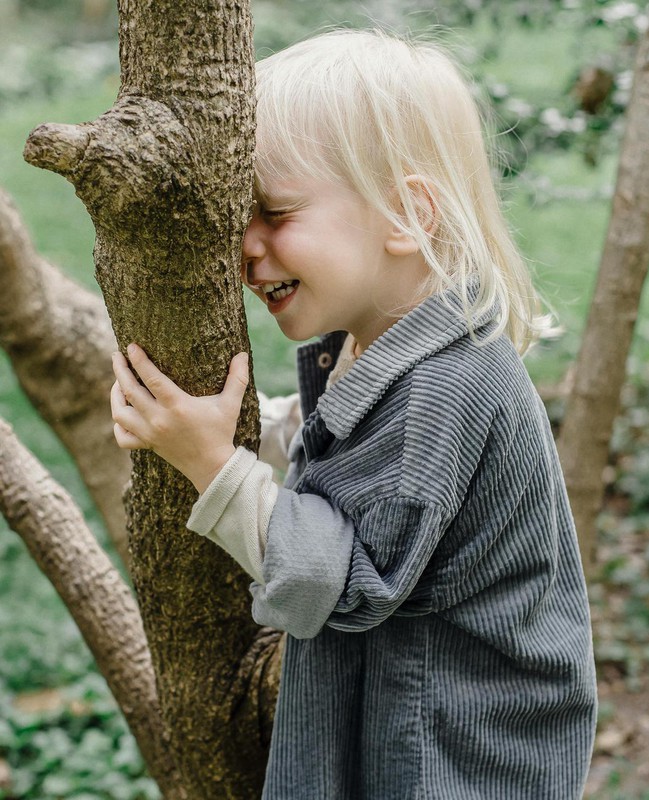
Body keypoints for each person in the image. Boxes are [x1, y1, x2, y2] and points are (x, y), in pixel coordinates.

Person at [111, 29, 597, 799]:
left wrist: (213, 464)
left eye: (273, 212)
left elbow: (347, 584)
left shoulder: (446, 386)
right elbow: (351, 447)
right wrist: (263, 427)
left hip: (450, 754)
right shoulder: (387, 341)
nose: (245, 247)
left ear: (406, 214)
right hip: (415, 712)